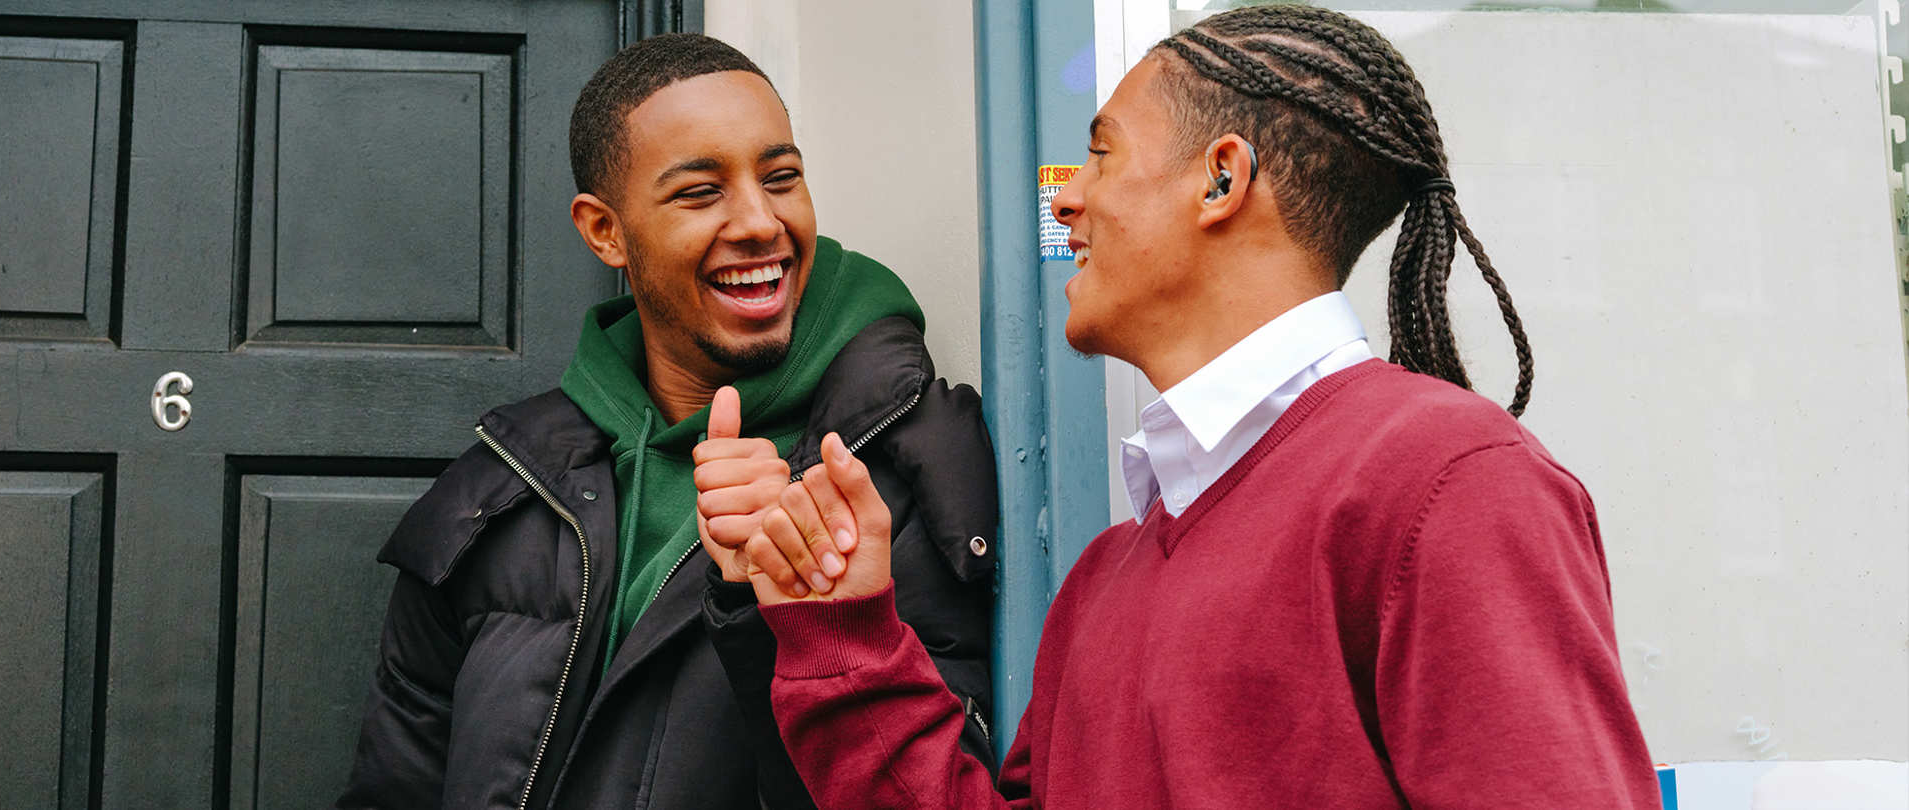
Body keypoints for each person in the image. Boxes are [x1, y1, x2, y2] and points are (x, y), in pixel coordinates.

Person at [712, 6, 1662, 807]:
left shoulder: (1447, 483)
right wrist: (845, 635)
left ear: (1222, 178)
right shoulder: (1105, 577)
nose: (1068, 201)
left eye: (1100, 155)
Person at [337, 33, 997, 809]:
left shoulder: (901, 465)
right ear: (604, 231)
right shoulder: (498, 487)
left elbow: (929, 790)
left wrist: (770, 608)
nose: (759, 221)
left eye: (782, 177)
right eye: (699, 192)